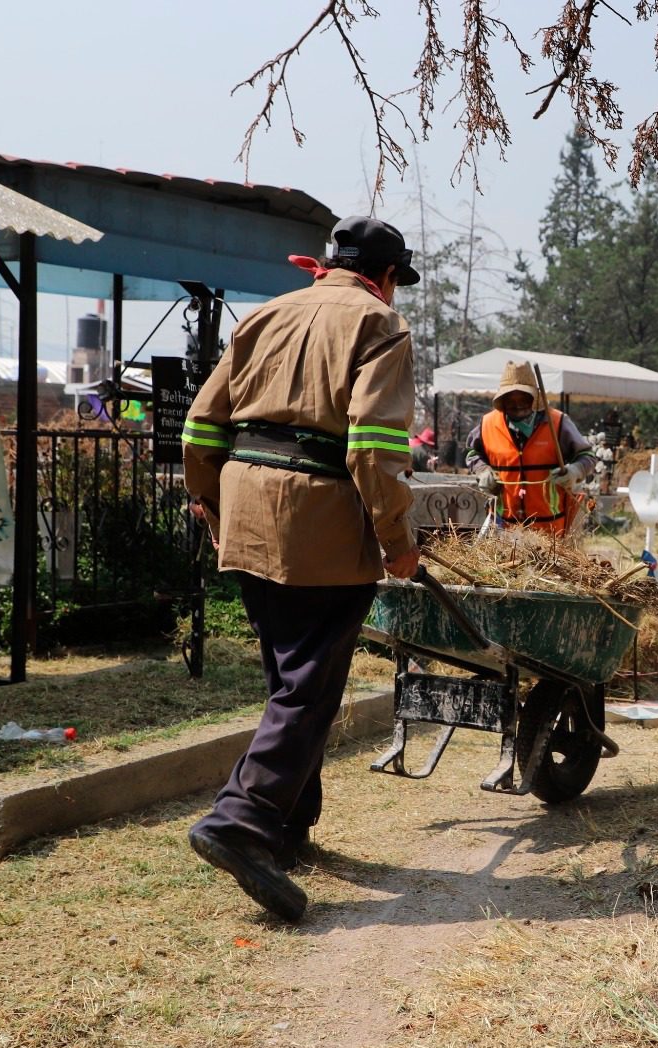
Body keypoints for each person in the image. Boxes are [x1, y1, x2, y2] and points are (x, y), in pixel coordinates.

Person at [181, 215, 421, 923]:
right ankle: (241, 821)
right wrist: (397, 540)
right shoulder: (380, 325)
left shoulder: (265, 315)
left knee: (288, 674)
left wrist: (209, 498)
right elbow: (374, 449)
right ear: (384, 278)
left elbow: (201, 425)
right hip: (318, 520)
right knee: (310, 684)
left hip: (247, 508)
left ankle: (288, 825)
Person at [464, 360, 597, 537]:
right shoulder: (488, 424)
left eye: (523, 398)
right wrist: (483, 471)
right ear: (503, 400)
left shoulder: (557, 423)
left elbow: (587, 456)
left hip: (550, 531)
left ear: (534, 399)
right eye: (511, 399)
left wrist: (575, 470)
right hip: (505, 529)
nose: (517, 404)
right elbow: (472, 453)